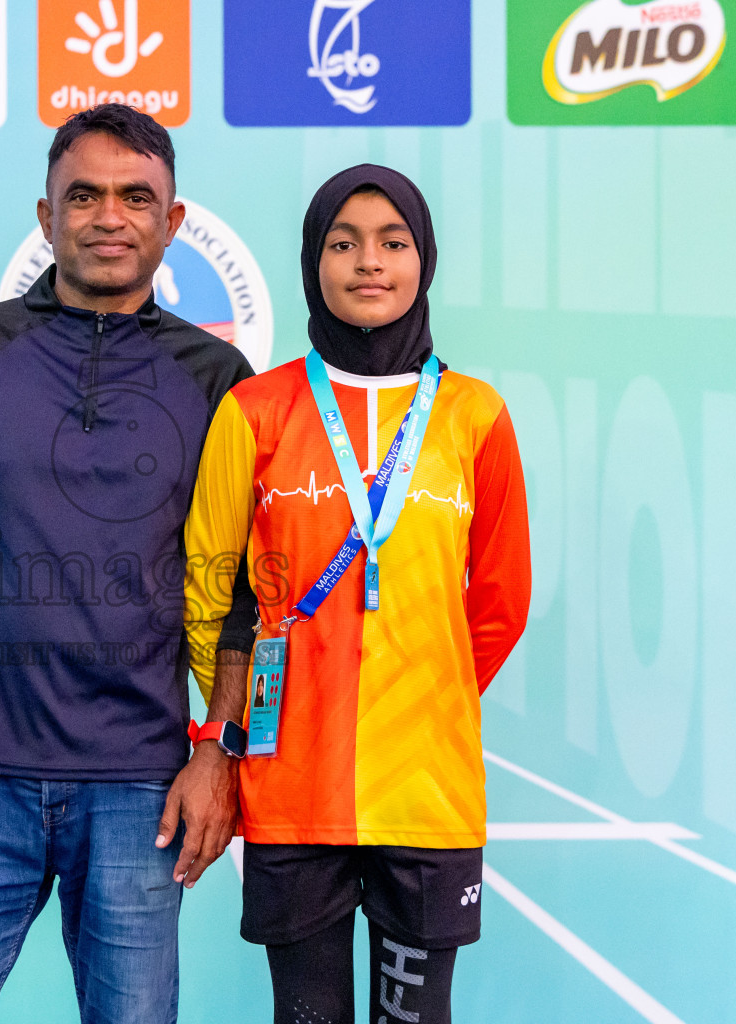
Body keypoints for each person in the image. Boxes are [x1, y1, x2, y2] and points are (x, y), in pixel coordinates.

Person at [0, 104, 259, 1024]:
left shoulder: (219, 380)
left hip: (139, 788)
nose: (108, 217)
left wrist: (221, 757)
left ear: (172, 223)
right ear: (46, 218)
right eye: (82, 195)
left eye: (137, 197)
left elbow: (245, 595)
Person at [183, 164, 531, 1024]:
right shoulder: (253, 411)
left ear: (424, 261)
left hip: (428, 793)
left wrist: (421, 694)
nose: (367, 263)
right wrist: (247, 722)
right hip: (291, 788)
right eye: (343, 243)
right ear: (313, 261)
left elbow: (499, 601)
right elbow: (205, 585)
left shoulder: (474, 415)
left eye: (392, 242)